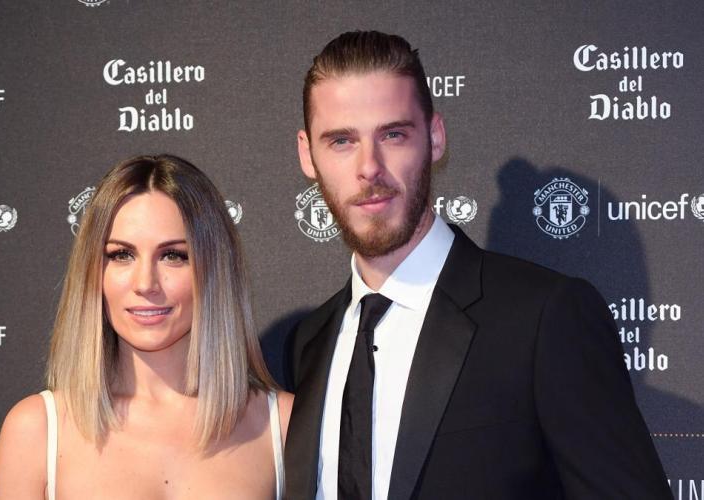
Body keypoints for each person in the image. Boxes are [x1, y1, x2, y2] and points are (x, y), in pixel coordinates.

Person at [283, 31, 672, 500]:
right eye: (342, 140)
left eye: (393, 134)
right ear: (307, 154)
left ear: (435, 137)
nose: (370, 166)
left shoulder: (543, 319)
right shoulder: (309, 342)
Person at [0, 155, 292, 499]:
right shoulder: (37, 430)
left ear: (214, 271)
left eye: (173, 255)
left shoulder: (282, 425)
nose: (146, 283)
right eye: (121, 255)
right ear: (93, 271)